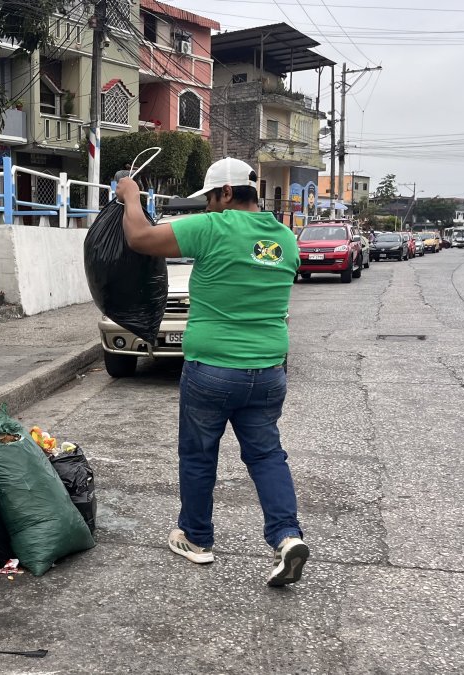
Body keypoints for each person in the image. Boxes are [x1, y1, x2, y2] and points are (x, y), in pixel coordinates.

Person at [114, 158, 309, 587]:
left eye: (210, 199)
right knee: (266, 456)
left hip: (214, 371)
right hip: (268, 371)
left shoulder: (213, 227)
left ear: (224, 193)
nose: (208, 207)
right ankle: (287, 536)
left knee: (200, 455)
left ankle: (197, 539)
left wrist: (130, 195)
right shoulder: (286, 240)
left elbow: (141, 238)